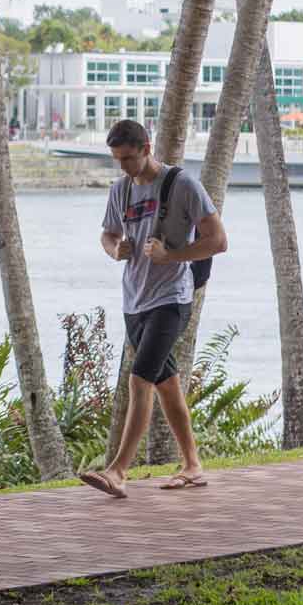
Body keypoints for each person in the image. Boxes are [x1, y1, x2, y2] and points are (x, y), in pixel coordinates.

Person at [80, 119, 227, 498]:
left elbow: (218, 241)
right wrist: (116, 249)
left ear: (147, 147)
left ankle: (118, 471)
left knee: (139, 377)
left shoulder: (183, 185)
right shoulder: (120, 189)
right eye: (117, 160)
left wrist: (173, 255)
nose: (124, 166)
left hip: (172, 299)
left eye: (129, 158)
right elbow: (108, 233)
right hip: (134, 300)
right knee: (167, 385)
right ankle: (193, 465)